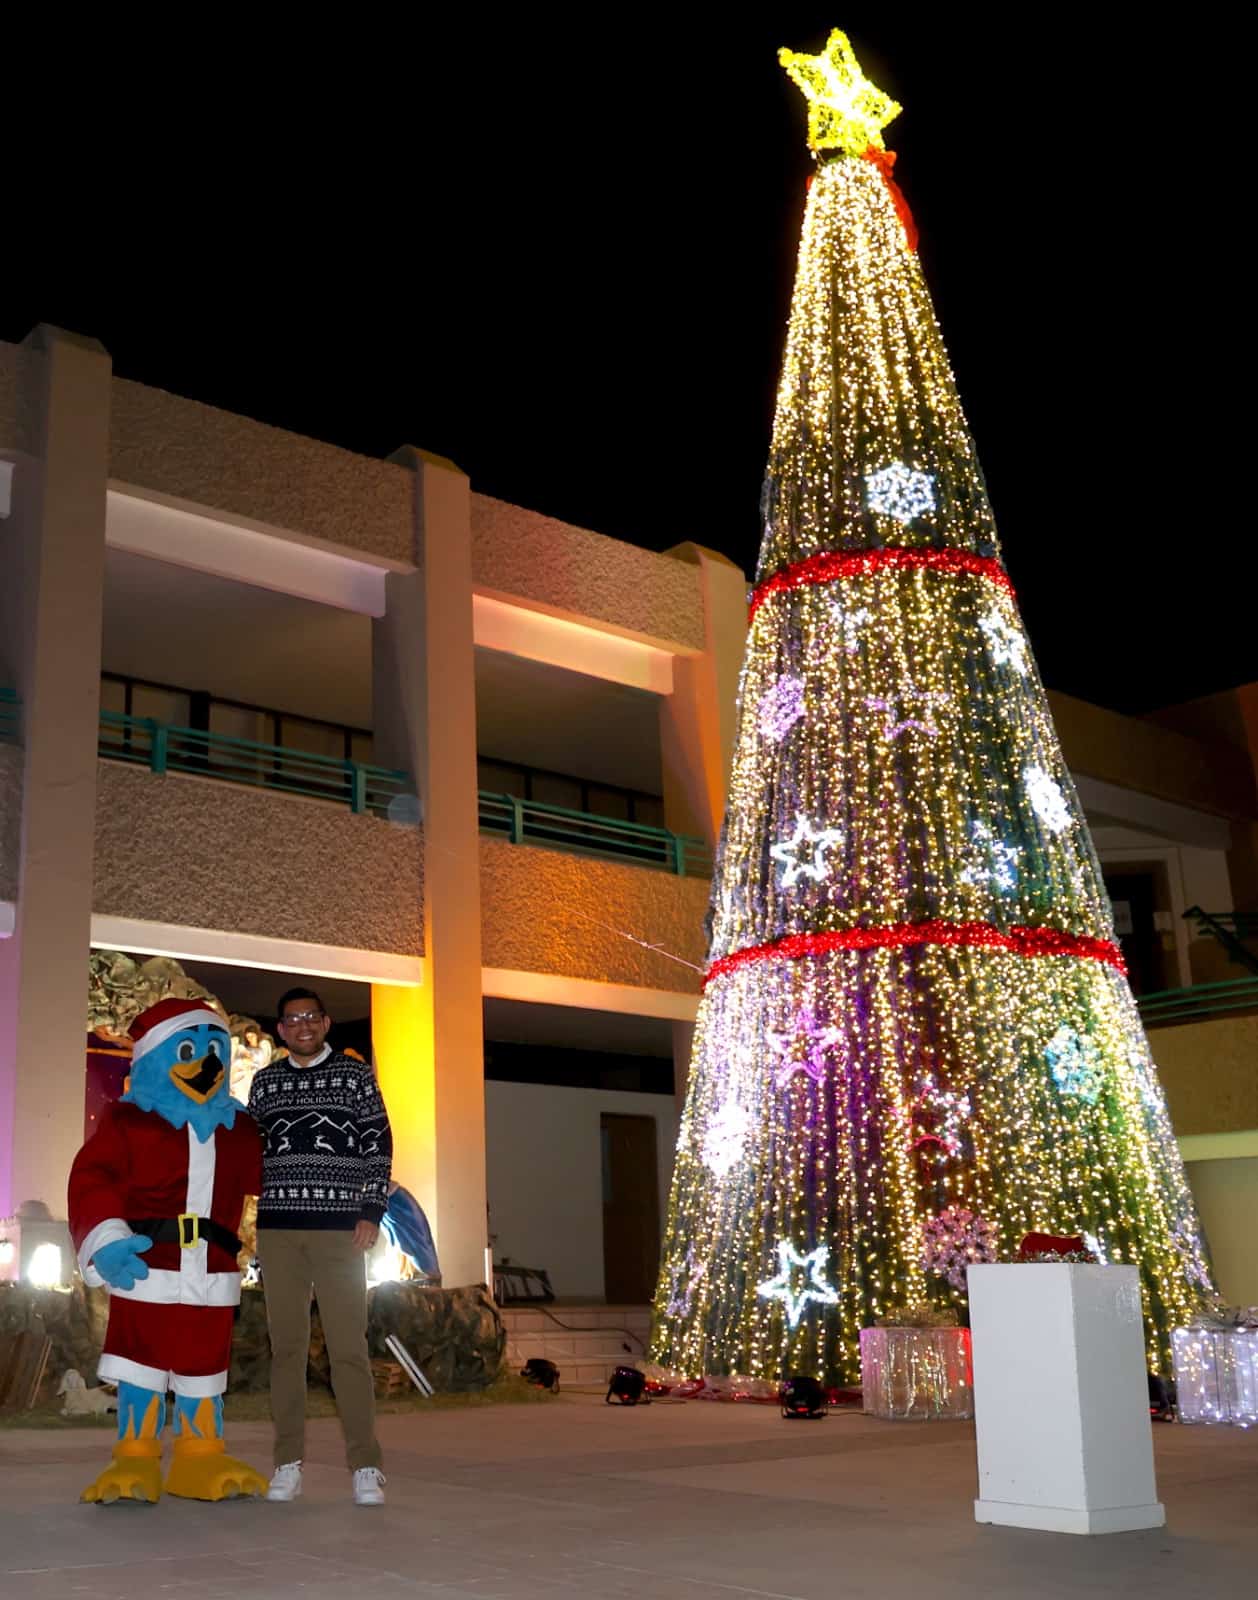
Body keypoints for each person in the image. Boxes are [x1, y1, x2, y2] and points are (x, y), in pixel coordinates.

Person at [246, 986, 393, 1506]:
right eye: (292, 1019)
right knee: (285, 1350)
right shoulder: (264, 1084)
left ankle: (366, 1466)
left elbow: (379, 1143)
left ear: (326, 1023)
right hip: (280, 1232)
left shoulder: (355, 1078)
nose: (302, 1026)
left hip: (340, 1233)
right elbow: (250, 1154)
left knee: (347, 1350)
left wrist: (370, 1212)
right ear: (280, 1030)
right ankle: (287, 1463)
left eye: (311, 1017)